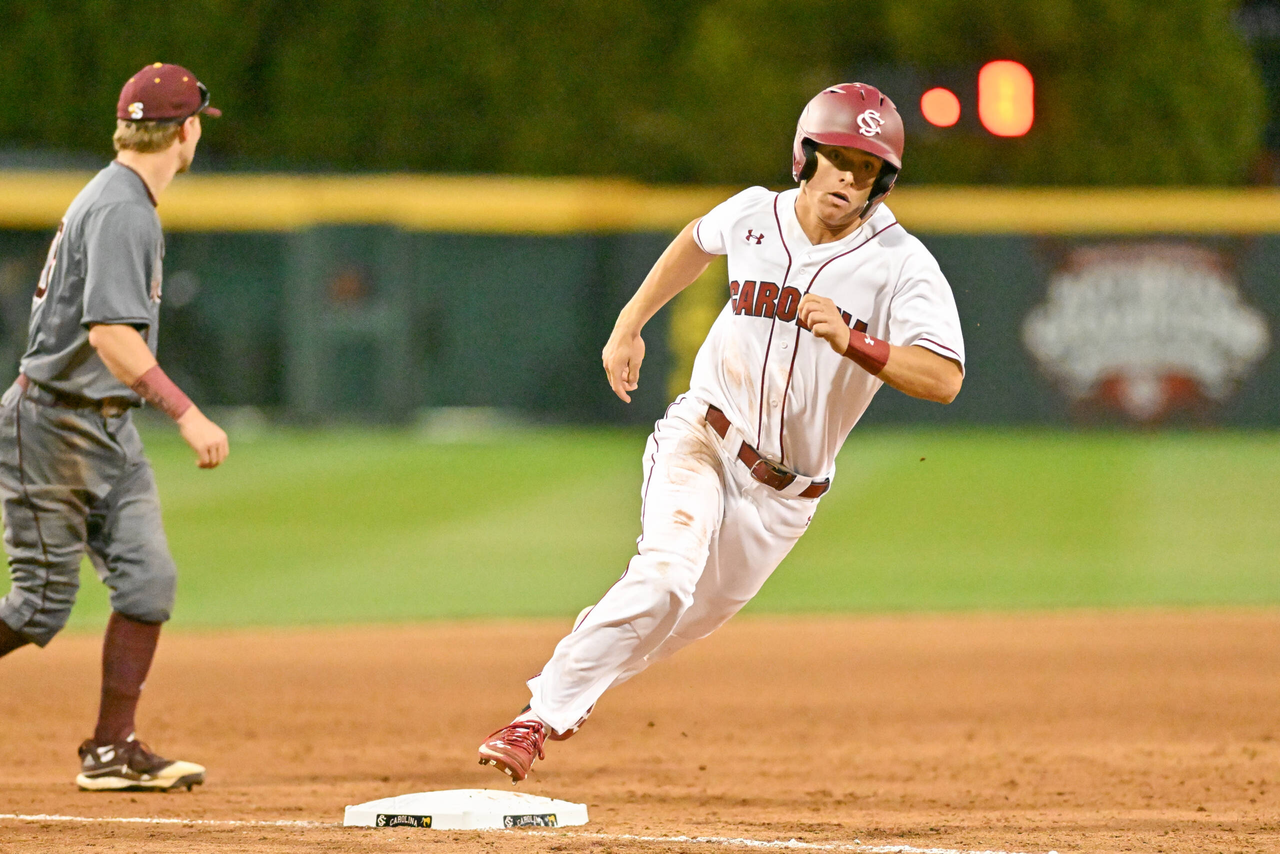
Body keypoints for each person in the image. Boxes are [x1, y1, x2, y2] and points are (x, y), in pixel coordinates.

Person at [479, 83, 965, 781]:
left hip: (785, 498)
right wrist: (629, 324)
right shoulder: (752, 214)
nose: (848, 178)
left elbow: (944, 377)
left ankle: (572, 692)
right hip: (703, 438)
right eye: (838, 159)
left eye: (866, 169)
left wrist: (859, 342)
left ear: (881, 184)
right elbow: (696, 240)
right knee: (665, 578)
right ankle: (537, 719)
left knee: (674, 625)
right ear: (806, 156)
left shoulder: (900, 265)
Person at [0, 63, 229, 791]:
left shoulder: (122, 195)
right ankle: (109, 748)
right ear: (186, 131)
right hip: (54, 425)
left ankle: (110, 749)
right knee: (39, 607)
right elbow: (109, 335)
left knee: (147, 582)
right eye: (199, 122)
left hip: (106, 427)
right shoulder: (124, 207)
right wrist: (187, 413)